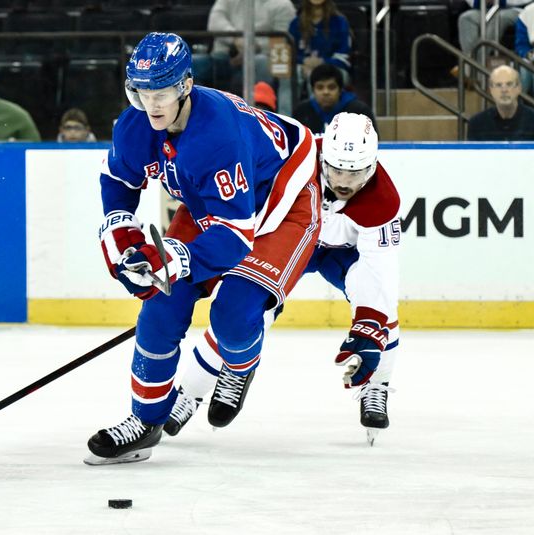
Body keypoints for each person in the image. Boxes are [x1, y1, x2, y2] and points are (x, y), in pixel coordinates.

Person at [86, 32, 321, 465]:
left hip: (282, 194)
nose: (151, 104)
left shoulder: (218, 137)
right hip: (209, 200)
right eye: (140, 92)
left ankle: (238, 364)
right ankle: (144, 421)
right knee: (161, 303)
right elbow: (118, 181)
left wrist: (173, 257)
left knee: (235, 311)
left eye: (161, 93)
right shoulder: (136, 124)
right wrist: (123, 240)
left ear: (185, 86)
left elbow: (234, 237)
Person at [165, 113, 400, 446]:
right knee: (243, 311)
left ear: (373, 165)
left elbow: (380, 271)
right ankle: (190, 392)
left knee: (383, 307)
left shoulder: (383, 199)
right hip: (291, 237)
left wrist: (369, 325)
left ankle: (377, 386)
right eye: (336, 170)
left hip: (341, 254)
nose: (345, 181)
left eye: (356, 172)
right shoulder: (297, 158)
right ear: (322, 158)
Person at [204, 0, 296, 112]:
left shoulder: (283, 4)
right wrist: (236, 40)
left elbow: (281, 43)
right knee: (194, 64)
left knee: (260, 62)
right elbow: (214, 23)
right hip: (224, 57)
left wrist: (249, 49)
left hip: (260, 59)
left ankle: (260, 116)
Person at [452, 0, 530, 80]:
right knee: (466, 18)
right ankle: (471, 67)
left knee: (498, 18)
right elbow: (472, 2)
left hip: (518, 10)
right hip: (486, 9)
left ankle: (469, 69)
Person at [292, 63, 378, 135]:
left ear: (340, 90)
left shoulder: (359, 112)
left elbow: (374, 144)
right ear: (313, 90)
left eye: (331, 87)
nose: (326, 92)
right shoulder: (301, 112)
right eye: (320, 87)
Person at [288, 0, 352, 92]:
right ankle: (287, 107)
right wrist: (303, 61)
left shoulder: (340, 22)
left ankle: (319, 106)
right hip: (302, 66)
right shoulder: (295, 23)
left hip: (332, 68)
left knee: (317, 75)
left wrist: (321, 62)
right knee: (288, 76)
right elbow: (289, 54)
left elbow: (344, 57)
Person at [467, 64, 534, 140]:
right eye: (498, 85)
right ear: (491, 90)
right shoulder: (477, 123)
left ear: (519, 88)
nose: (504, 90)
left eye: (509, 84)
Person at [515, 4, 534, 97]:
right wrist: (531, 56)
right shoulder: (528, 12)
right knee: (524, 70)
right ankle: (519, 108)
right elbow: (521, 45)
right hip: (532, 59)